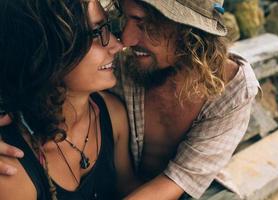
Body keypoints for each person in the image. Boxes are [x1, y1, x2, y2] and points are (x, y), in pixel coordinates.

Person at [0, 0, 261, 199]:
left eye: (144, 23)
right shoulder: (119, 62)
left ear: (189, 32)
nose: (123, 40)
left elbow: (180, 180)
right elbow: (34, 42)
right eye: (123, 19)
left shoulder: (232, 90)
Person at [0, 0, 136, 199]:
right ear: (47, 51)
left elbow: (130, 188)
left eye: (109, 28)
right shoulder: (11, 166)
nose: (118, 44)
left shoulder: (112, 114)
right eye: (97, 33)